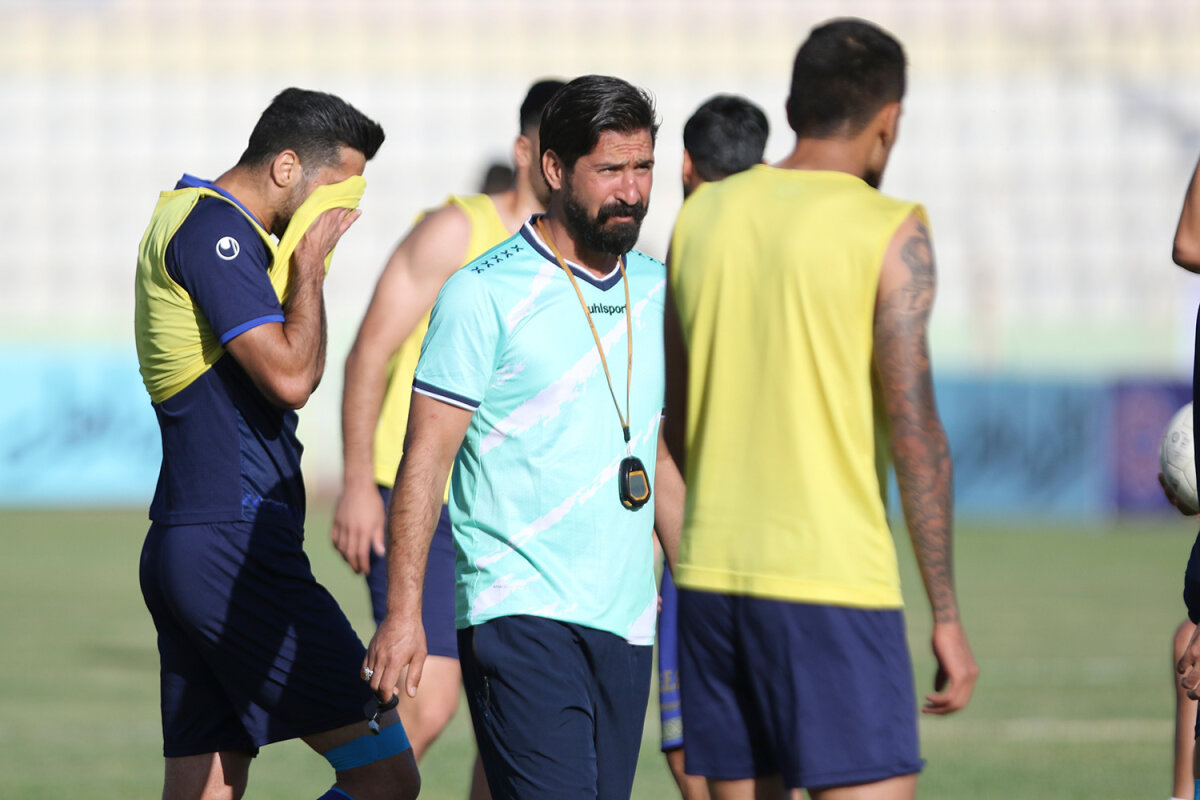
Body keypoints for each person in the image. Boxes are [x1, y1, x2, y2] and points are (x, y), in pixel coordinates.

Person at [664, 19, 978, 799]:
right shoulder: (891, 228)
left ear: (790, 108)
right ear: (888, 121)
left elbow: (679, 418)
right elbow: (916, 434)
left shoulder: (700, 216)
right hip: (831, 583)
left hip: (712, 581)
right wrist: (945, 612)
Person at [362, 74, 685, 800]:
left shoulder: (662, 292)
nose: (632, 190)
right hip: (516, 613)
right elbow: (426, 459)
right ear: (554, 168)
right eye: (610, 169)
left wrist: (703, 600)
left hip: (627, 621)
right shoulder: (482, 292)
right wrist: (403, 613)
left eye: (643, 168)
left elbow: (661, 459)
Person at [134, 88, 418, 800]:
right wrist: (311, 265)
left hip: (196, 540)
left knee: (206, 789)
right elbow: (293, 377)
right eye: (336, 194)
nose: (340, 215)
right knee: (387, 777)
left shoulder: (205, 226)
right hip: (232, 545)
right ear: (286, 167)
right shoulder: (214, 231)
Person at [331, 78, 564, 798]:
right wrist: (357, 482)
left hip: (514, 509)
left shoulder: (581, 257)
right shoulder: (456, 231)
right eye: (555, 149)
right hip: (419, 497)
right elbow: (369, 353)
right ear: (525, 151)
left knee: (516, 720)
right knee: (425, 702)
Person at [658, 93, 770, 800]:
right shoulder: (789, 240)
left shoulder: (693, 237)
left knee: (698, 753)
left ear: (685, 165)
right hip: (786, 534)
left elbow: (671, 414)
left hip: (705, 526)